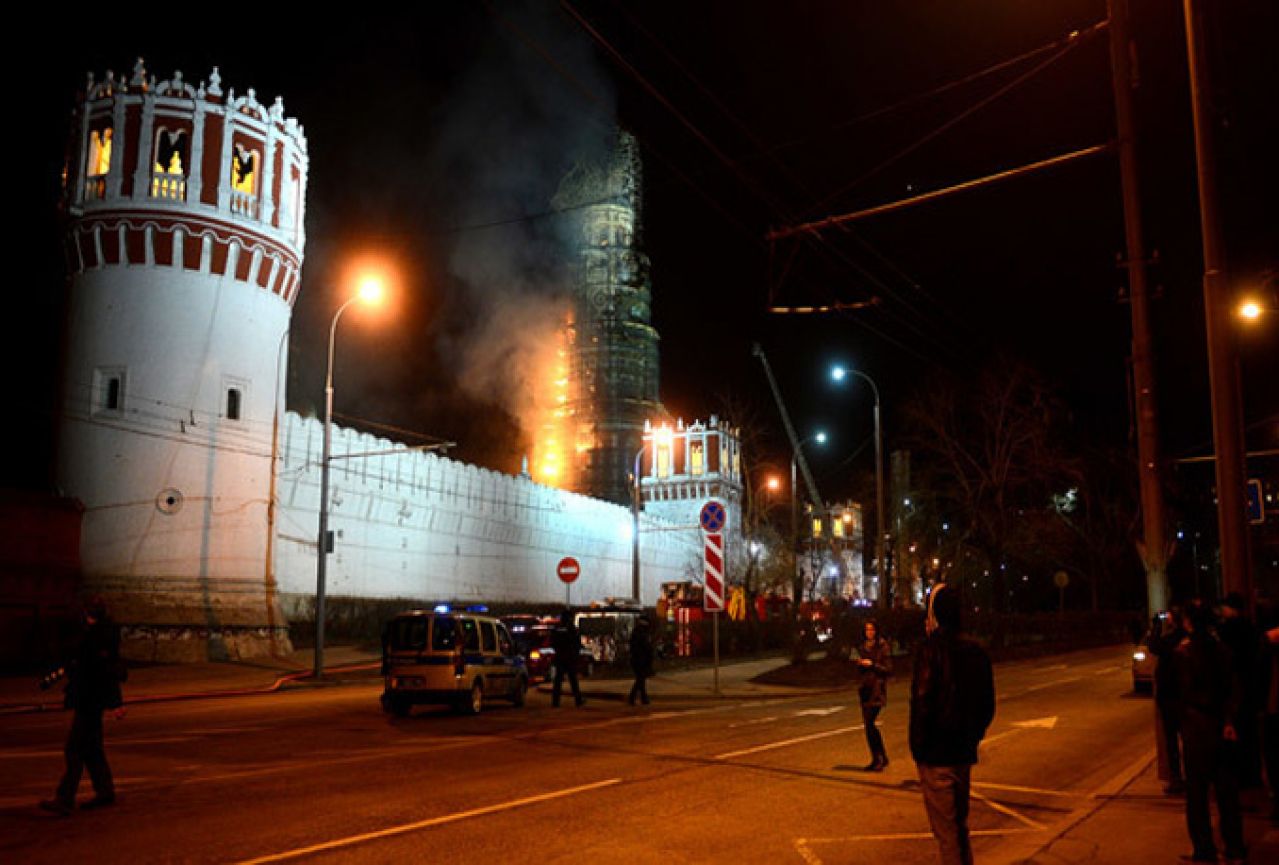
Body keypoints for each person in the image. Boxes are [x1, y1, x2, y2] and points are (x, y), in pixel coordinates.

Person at [909, 583, 995, 865]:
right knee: (959, 826)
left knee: (947, 834)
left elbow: (922, 701)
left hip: (936, 755)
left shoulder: (929, 651)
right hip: (962, 752)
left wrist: (919, 749)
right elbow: (987, 706)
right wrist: (973, 737)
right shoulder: (976, 652)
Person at [40, 597, 126, 816]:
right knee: (92, 749)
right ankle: (105, 791)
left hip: (90, 700)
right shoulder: (100, 636)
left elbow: (104, 672)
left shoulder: (98, 638)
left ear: (89, 615)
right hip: (90, 699)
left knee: (74, 749)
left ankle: (65, 798)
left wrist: (116, 703)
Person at [1175, 598, 1246, 864]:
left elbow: (1179, 693)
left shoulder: (1184, 653)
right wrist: (1229, 720)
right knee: (1227, 793)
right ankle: (1235, 847)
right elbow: (1234, 690)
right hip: (1221, 726)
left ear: (1189, 622)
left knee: (1197, 795)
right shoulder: (1223, 650)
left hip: (1196, 728)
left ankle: (1204, 849)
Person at [1218, 592, 1262, 788]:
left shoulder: (1227, 631)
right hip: (1251, 687)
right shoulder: (1252, 629)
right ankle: (1252, 775)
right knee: (1249, 734)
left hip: (1234, 687)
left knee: (1234, 733)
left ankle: (1238, 776)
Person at [1150, 606, 1187, 795]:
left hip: (1171, 695)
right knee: (1186, 739)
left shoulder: (1173, 638)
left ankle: (1177, 778)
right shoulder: (1186, 637)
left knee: (1172, 739)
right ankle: (1187, 776)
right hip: (1181, 695)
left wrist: (1156, 625)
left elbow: (1154, 646)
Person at [856, 619, 892, 771]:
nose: (869, 633)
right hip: (865, 688)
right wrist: (860, 664)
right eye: (866, 630)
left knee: (870, 724)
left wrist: (872, 665)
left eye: (871, 630)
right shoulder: (863, 647)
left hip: (876, 689)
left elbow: (888, 669)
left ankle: (879, 758)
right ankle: (879, 757)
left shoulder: (882, 646)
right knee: (868, 725)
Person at [550, 608, 584, 708]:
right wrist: (576, 654)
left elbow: (553, 642)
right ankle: (578, 700)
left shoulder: (557, 628)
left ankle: (555, 702)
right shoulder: (572, 629)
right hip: (570, 658)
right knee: (573, 680)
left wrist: (558, 651)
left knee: (558, 681)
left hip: (560, 657)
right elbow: (577, 643)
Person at [628, 616, 653, 706]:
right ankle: (634, 697)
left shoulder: (637, 632)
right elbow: (646, 647)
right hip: (641, 659)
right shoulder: (642, 633)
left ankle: (643, 698)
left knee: (641, 680)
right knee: (640, 679)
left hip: (637, 659)